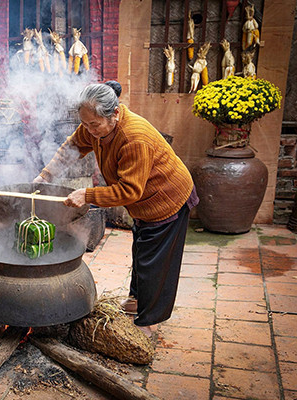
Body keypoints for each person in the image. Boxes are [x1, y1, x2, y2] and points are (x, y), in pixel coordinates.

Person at [34, 82, 198, 339]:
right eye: (84, 124)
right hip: (143, 205)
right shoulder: (94, 124)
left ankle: (149, 320)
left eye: (93, 125)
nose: (88, 130)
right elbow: (72, 146)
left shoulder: (134, 138)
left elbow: (130, 191)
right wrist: (46, 176)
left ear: (116, 114)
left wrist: (87, 195)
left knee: (156, 260)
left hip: (166, 198)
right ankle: (137, 298)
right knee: (142, 249)